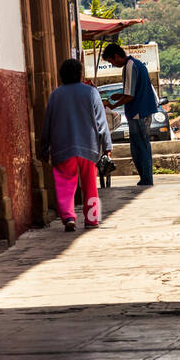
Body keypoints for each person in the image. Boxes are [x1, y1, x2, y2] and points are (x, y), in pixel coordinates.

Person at [38, 57, 111, 231]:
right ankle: (92, 218)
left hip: (62, 146)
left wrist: (44, 147)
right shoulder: (91, 92)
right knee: (90, 184)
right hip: (88, 146)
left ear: (62, 75)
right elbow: (101, 122)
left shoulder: (55, 95)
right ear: (79, 74)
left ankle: (68, 217)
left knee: (64, 183)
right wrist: (107, 146)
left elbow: (47, 123)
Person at [102, 42, 158, 186]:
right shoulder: (136, 64)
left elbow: (130, 96)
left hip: (138, 111)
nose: (113, 64)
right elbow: (133, 91)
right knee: (141, 145)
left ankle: (146, 179)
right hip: (142, 110)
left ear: (116, 56)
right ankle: (146, 178)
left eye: (111, 61)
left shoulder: (130, 66)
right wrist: (120, 95)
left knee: (140, 146)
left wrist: (112, 105)